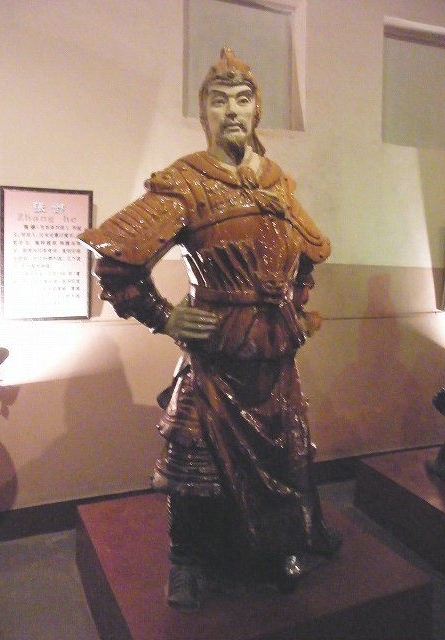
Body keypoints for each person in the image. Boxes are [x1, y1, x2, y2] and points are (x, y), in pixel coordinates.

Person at [78, 47, 341, 609]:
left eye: (242, 100)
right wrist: (164, 315)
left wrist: (296, 304)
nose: (232, 111)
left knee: (287, 452)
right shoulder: (186, 183)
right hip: (215, 355)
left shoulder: (278, 184)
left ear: (256, 110)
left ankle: (283, 543)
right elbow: (116, 261)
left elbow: (310, 252)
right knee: (194, 458)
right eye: (219, 101)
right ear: (205, 114)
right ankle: (186, 560)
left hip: (275, 355)